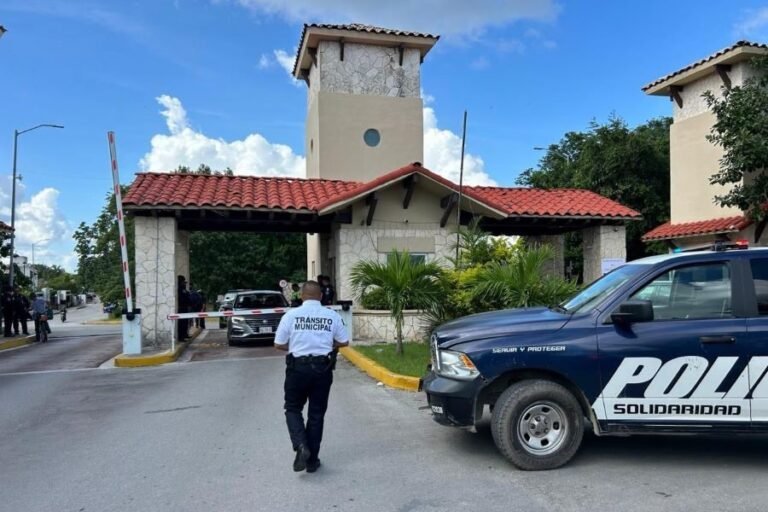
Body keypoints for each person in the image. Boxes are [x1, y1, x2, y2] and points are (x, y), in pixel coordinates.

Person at [274, 281, 349, 473]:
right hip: (322, 370)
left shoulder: (291, 315)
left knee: (292, 407)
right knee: (316, 415)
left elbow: (279, 344)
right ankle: (312, 461)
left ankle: (300, 445)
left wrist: (298, 347)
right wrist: (327, 346)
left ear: (301, 296)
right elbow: (343, 341)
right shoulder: (331, 315)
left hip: (297, 368)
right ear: (321, 297)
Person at [177, 275, 190, 340]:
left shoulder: (183, 289)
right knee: (182, 323)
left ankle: (185, 334)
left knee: (186, 322)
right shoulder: (179, 289)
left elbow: (187, 295)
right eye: (183, 282)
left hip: (185, 307)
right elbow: (182, 298)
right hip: (181, 307)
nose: (184, 284)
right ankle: (181, 336)